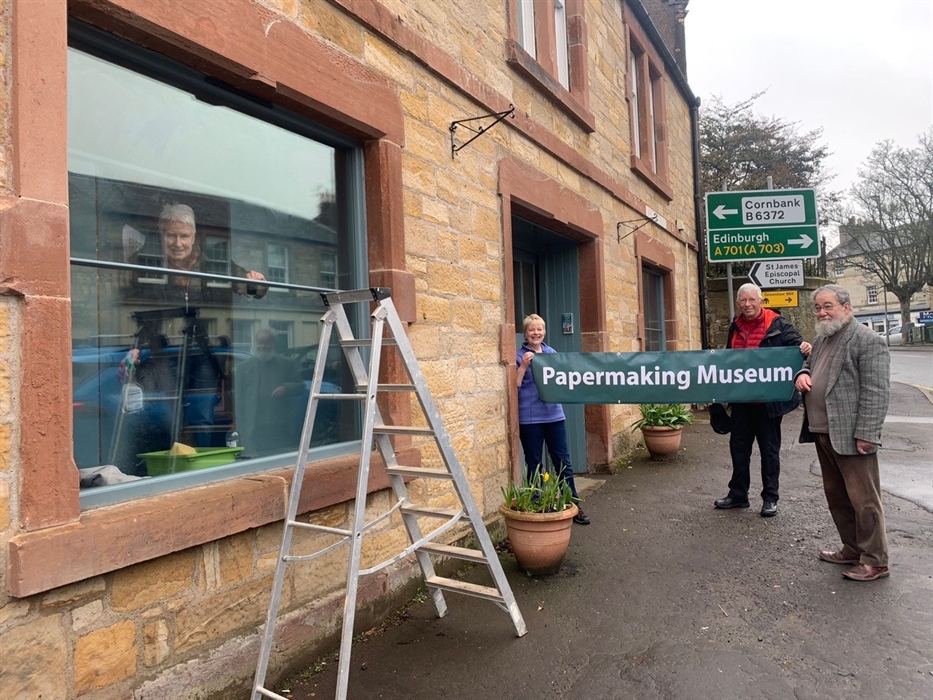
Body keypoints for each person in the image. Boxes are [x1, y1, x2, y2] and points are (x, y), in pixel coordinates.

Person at [794, 284, 891, 582]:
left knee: (864, 500)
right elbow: (809, 364)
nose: (822, 312)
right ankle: (852, 548)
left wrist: (868, 433)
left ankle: (875, 561)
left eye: (828, 306)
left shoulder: (868, 340)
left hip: (852, 435)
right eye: (818, 307)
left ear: (846, 307)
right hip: (822, 430)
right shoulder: (823, 338)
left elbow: (876, 392)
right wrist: (803, 374)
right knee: (837, 495)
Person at [714, 283, 812, 517]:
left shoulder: (777, 324)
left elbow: (797, 346)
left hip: (769, 404)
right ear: (738, 303)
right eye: (743, 300)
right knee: (739, 449)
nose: (747, 304)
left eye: (752, 300)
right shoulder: (734, 326)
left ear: (761, 301)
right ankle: (738, 495)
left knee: (769, 451)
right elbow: (727, 360)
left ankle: (770, 498)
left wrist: (804, 346)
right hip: (741, 401)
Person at [516, 314, 590, 525]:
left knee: (563, 462)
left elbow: (563, 379)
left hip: (554, 416)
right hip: (530, 419)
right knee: (534, 463)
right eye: (532, 330)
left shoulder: (552, 354)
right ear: (526, 333)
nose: (536, 333)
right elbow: (515, 385)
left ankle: (573, 504)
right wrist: (523, 366)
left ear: (544, 332)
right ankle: (537, 504)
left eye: (539, 329)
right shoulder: (518, 355)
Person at [235, 329, 305, 457]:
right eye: (260, 342)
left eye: (267, 342)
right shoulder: (243, 367)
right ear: (255, 344)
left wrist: (286, 388)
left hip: (281, 425)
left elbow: (301, 386)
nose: (263, 346)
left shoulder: (286, 363)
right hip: (255, 427)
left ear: (273, 344)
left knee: (282, 460)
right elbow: (239, 402)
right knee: (260, 462)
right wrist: (242, 433)